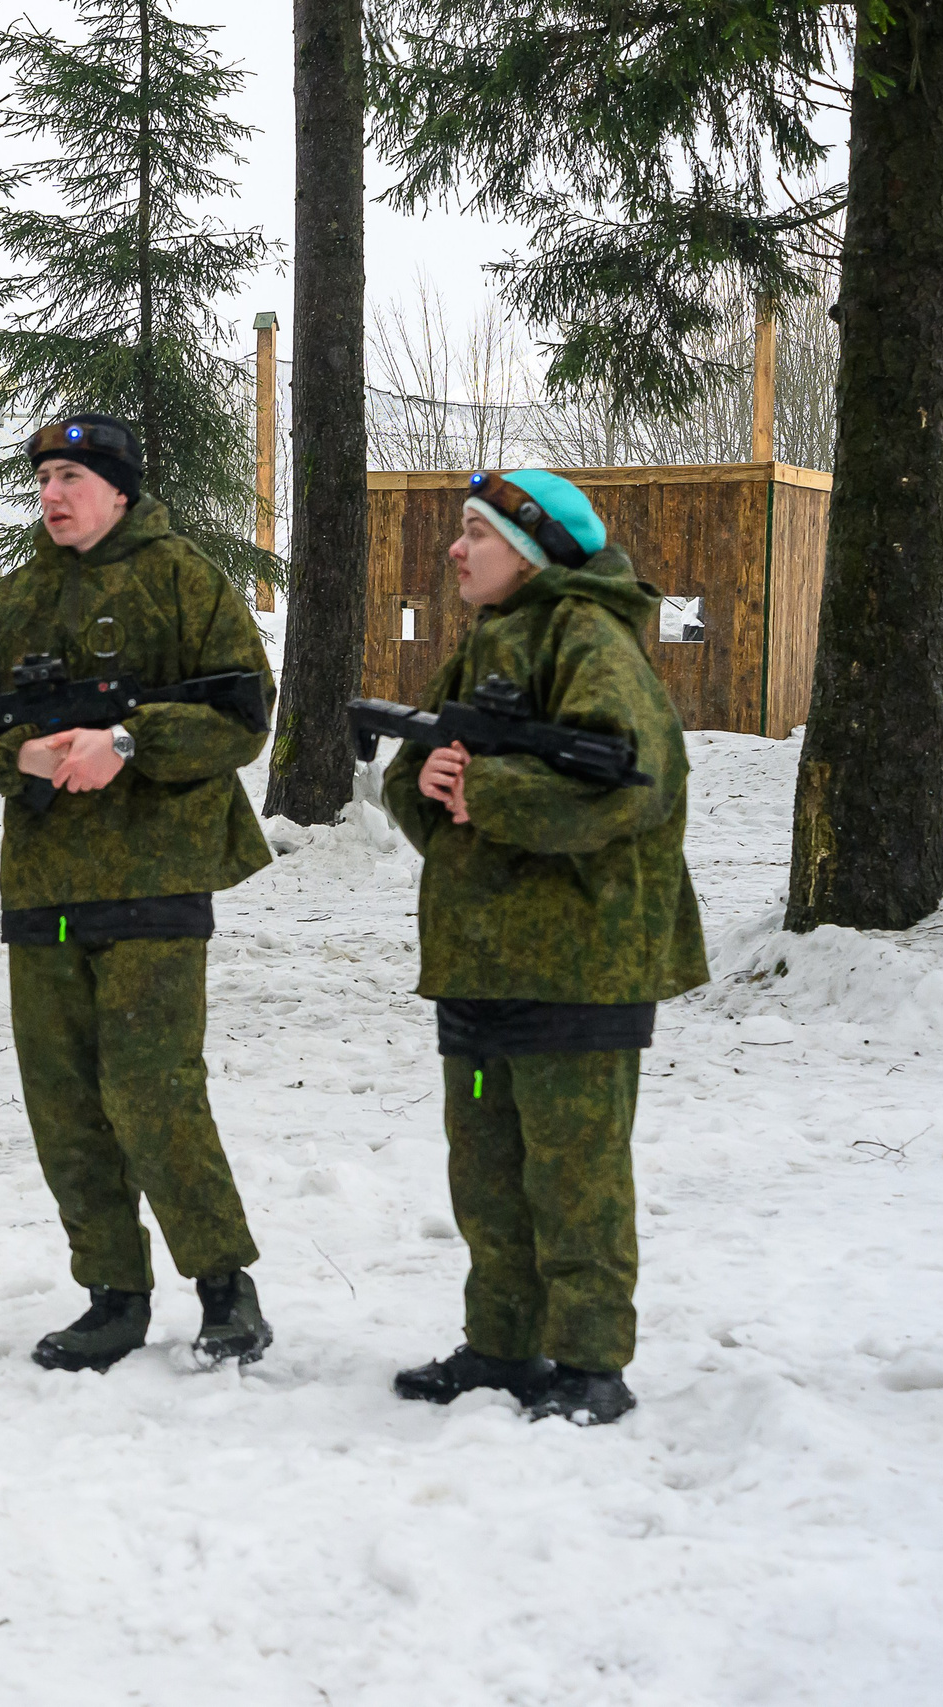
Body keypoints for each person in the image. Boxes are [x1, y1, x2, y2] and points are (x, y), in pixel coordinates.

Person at [0, 414, 278, 1373]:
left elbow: (242, 712)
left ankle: (224, 1287)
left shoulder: (184, 580)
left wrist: (125, 741)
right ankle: (112, 1294)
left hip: (156, 878)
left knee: (153, 1089)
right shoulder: (11, 601)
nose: (54, 494)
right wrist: (19, 753)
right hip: (44, 886)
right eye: (45, 477)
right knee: (64, 1102)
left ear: (121, 490)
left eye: (73, 478)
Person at [381, 469, 706, 1426]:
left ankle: (592, 1362)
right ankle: (503, 1344)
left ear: (530, 549)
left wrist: (490, 793)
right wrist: (431, 780)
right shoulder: (486, 639)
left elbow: (629, 788)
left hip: (578, 964)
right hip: (481, 961)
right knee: (485, 1173)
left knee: (575, 1174)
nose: (454, 548)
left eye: (474, 532)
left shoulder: (589, 638)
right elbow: (418, 781)